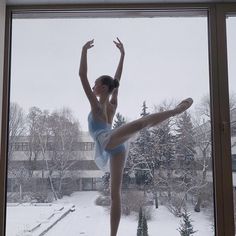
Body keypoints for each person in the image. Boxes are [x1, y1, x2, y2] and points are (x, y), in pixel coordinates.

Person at [79, 38, 193, 236]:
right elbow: (112, 81)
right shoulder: (102, 104)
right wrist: (121, 56)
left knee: (140, 124)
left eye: (96, 84)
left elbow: (84, 75)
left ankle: (177, 110)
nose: (92, 86)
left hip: (114, 143)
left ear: (104, 88)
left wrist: (86, 52)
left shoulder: (104, 106)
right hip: (109, 141)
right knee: (114, 194)